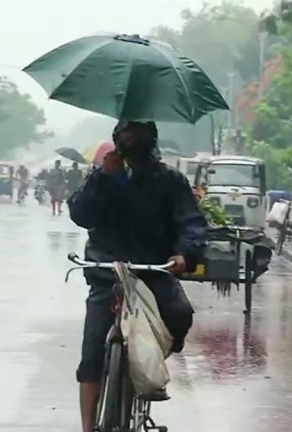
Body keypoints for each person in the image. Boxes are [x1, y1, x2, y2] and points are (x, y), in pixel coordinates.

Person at [68, 120, 207, 432]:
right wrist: (102, 177)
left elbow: (192, 223)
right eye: (128, 130)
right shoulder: (102, 175)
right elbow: (80, 214)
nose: (134, 135)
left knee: (181, 313)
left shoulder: (170, 180)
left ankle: (153, 363)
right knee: (91, 357)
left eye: (141, 130)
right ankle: (88, 427)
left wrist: (184, 254)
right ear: (117, 137)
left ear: (152, 137)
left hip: (154, 273)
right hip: (108, 274)